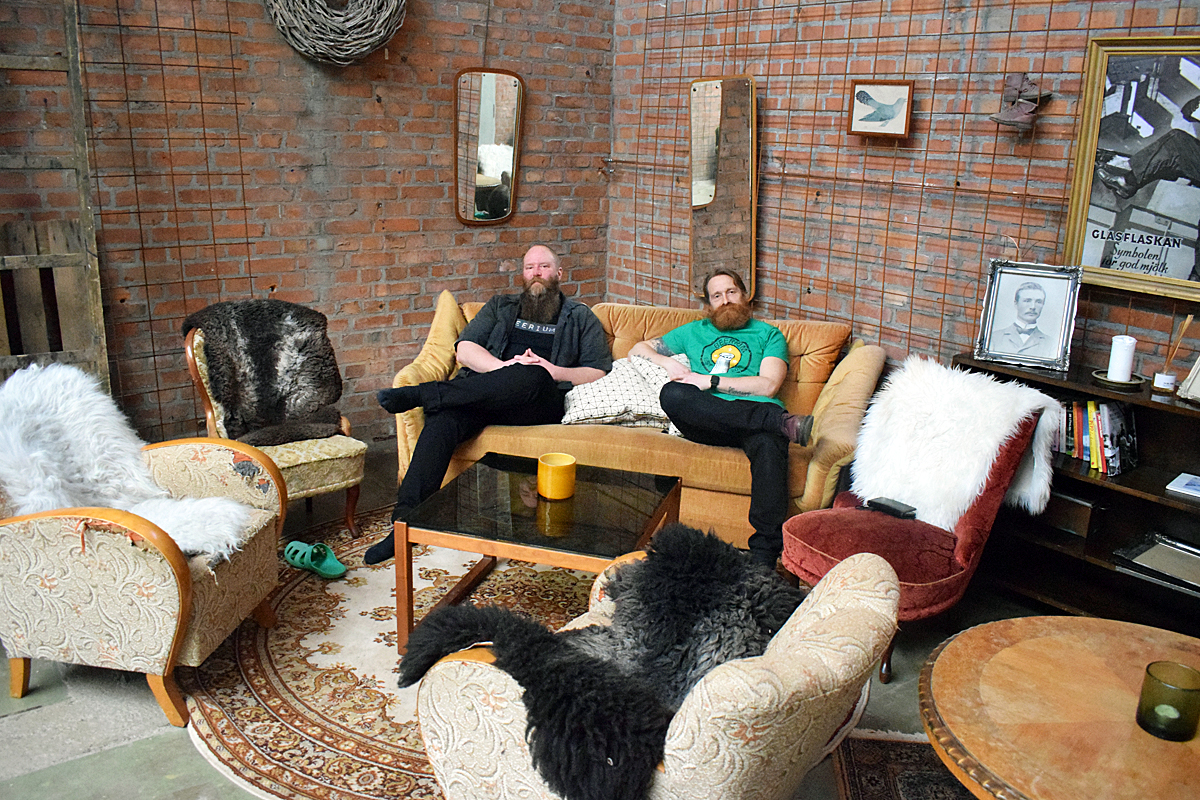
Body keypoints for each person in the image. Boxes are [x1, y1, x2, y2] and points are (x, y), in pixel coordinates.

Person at [365, 245, 612, 564]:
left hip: (538, 403)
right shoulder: (500, 306)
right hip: (486, 393)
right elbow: (465, 349)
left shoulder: (580, 316)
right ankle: (403, 526)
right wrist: (506, 368)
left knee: (533, 375)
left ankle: (425, 395)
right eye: (529, 267)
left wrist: (550, 370)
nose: (536, 272)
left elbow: (598, 371)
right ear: (522, 274)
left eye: (544, 266)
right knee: (444, 421)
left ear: (559, 273)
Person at [628, 268, 813, 568]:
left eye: (731, 292)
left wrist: (710, 381)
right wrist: (667, 363)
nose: (725, 300)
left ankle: (763, 561)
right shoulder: (693, 331)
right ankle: (778, 422)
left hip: (752, 422)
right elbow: (639, 349)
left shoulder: (768, 334)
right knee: (672, 394)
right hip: (708, 420)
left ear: (745, 296)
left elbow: (768, 385)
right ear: (709, 304)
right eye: (717, 296)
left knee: (769, 446)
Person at [991, 281, 1054, 358]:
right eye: (1027, 301)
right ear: (1016, 304)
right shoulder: (994, 338)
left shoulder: (1051, 344)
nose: (1033, 307)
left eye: (1038, 302)